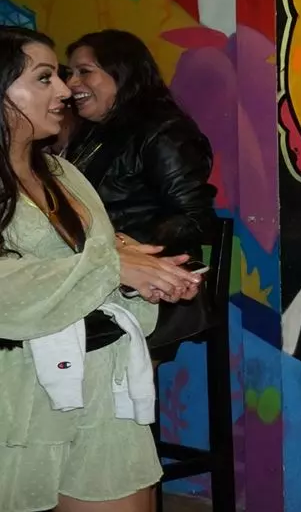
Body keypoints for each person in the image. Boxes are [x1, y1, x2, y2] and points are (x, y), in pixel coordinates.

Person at [0, 25, 202, 512]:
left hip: (101, 372)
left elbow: (93, 259)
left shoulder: (62, 172)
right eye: (45, 77)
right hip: (18, 387)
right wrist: (114, 265)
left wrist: (145, 276)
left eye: (64, 75)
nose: (64, 89)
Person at [64, 30, 218, 362]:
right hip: (100, 279)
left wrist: (131, 246)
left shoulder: (163, 131)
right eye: (69, 73)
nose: (70, 83)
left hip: (152, 290)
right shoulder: (92, 133)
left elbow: (195, 218)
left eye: (84, 71)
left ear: (122, 73)